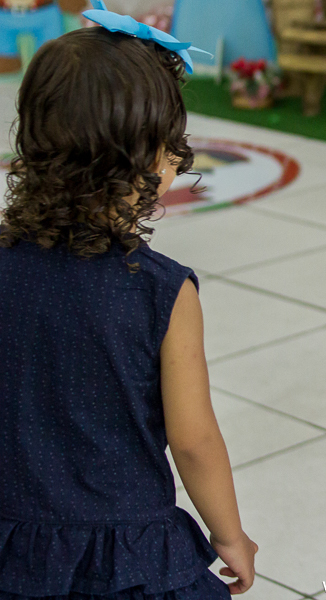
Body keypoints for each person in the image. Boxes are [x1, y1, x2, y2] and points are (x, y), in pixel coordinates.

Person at [0, 18, 257, 599]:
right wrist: (229, 535)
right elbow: (194, 440)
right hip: (125, 553)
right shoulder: (162, 293)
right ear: (154, 161)